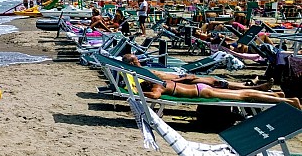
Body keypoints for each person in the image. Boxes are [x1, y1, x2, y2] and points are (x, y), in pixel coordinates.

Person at [121, 54, 301, 109]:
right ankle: (276, 95)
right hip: (200, 88)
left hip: (202, 91)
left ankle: (285, 100)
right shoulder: (155, 81)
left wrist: (135, 93)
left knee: (244, 95)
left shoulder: (156, 86)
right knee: (243, 93)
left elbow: (153, 95)